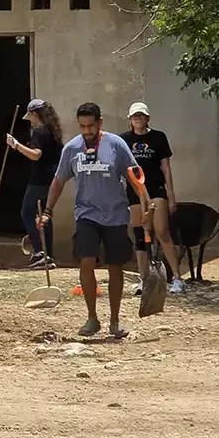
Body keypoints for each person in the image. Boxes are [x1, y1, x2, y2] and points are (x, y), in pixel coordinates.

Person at [42, 101, 139, 340]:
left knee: (115, 266)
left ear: (100, 123)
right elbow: (58, 181)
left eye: (91, 126)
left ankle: (115, 321)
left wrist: (145, 208)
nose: (87, 131)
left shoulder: (116, 145)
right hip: (86, 214)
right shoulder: (72, 149)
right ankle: (92, 318)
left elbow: (136, 178)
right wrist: (47, 210)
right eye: (83, 126)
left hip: (115, 214)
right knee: (86, 262)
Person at [123, 102, 184, 296]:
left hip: (156, 189)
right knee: (140, 235)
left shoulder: (158, 137)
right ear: (130, 119)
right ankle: (143, 278)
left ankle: (177, 277)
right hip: (134, 191)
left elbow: (166, 167)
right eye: (134, 116)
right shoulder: (124, 140)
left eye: (141, 115)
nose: (138, 118)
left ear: (147, 118)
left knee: (162, 231)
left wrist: (171, 194)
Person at [6, 99, 64, 268]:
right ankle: (48, 255)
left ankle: (40, 252)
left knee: (27, 213)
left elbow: (36, 155)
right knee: (45, 215)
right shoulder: (53, 130)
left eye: (30, 116)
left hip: (39, 180)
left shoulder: (39, 131)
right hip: (52, 178)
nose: (29, 120)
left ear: (34, 114)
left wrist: (16, 145)